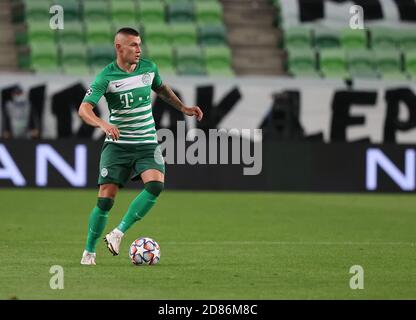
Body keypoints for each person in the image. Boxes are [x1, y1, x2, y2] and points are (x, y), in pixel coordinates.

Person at [78, 27, 203, 265]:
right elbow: (84, 109)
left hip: (146, 141)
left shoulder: (149, 68)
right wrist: (102, 124)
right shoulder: (107, 76)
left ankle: (118, 233)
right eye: (133, 45)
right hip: (118, 145)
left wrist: (184, 108)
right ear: (119, 47)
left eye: (139, 44)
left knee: (156, 185)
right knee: (106, 199)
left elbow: (162, 89)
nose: (139, 49)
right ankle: (89, 252)